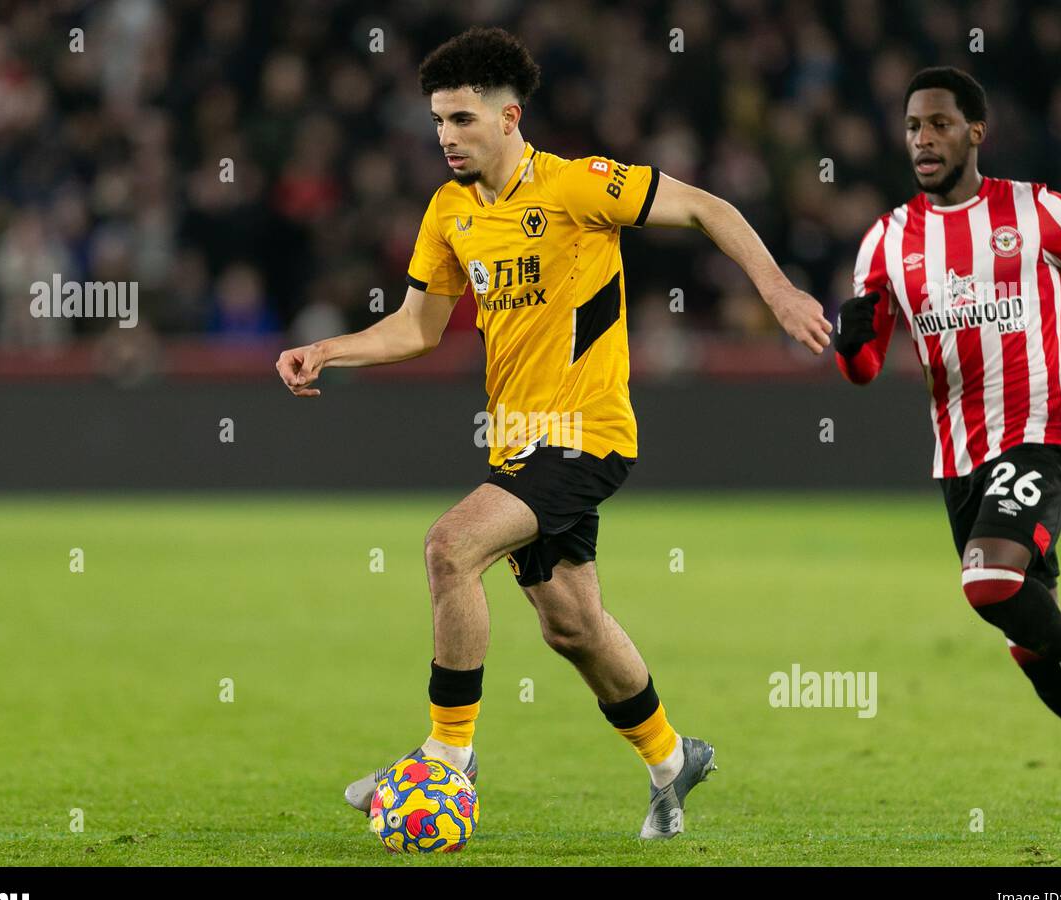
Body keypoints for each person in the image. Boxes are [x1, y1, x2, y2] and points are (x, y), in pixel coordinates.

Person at [277, 26, 830, 838]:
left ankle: (447, 757)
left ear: (509, 118)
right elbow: (417, 327)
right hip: (515, 440)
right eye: (438, 120)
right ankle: (674, 760)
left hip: (587, 432)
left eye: (462, 120)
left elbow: (706, 206)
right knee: (571, 624)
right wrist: (329, 349)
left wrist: (779, 294)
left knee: (449, 548)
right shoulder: (450, 211)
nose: (445, 137)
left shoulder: (578, 187)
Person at [833, 66, 1061, 818]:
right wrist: (847, 340)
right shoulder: (886, 242)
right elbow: (861, 367)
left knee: (988, 584)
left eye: (940, 124)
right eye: (913, 127)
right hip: (957, 456)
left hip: (1038, 432)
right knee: (1026, 641)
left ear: (975, 130)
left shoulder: (1034, 209)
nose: (923, 139)